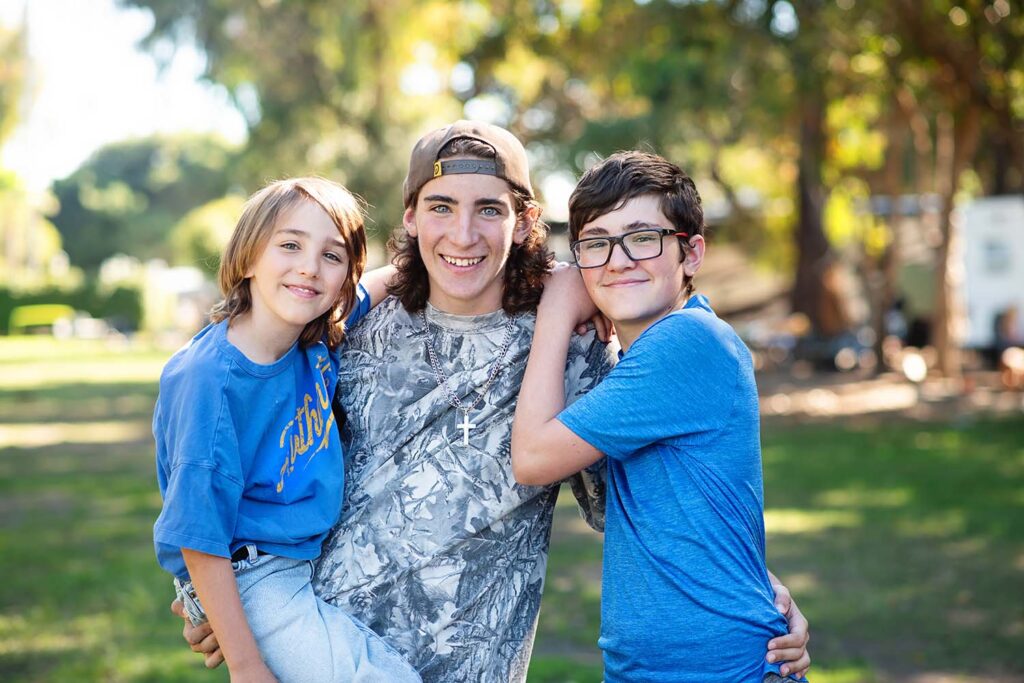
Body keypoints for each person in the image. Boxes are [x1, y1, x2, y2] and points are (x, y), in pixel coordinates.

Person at [174, 123, 811, 681]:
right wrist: (218, 601)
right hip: (325, 646)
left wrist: (756, 586)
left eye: (490, 209)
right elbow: (225, 441)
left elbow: (643, 502)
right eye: (441, 206)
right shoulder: (345, 326)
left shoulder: (574, 345)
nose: (463, 233)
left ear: (523, 221)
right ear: (412, 218)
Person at [511, 150, 809, 681]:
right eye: (597, 243)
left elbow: (532, 457)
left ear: (691, 253)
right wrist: (760, 580)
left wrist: (556, 309)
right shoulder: (649, 358)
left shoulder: (688, 341)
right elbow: (687, 514)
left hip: (719, 669)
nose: (619, 260)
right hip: (652, 667)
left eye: (643, 237)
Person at [153, 177, 420, 682]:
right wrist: (246, 665)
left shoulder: (311, 339)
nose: (309, 267)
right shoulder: (210, 379)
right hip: (247, 571)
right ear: (249, 257)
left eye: (332, 255)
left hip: (299, 557)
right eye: (291, 245)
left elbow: (383, 281)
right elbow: (197, 531)